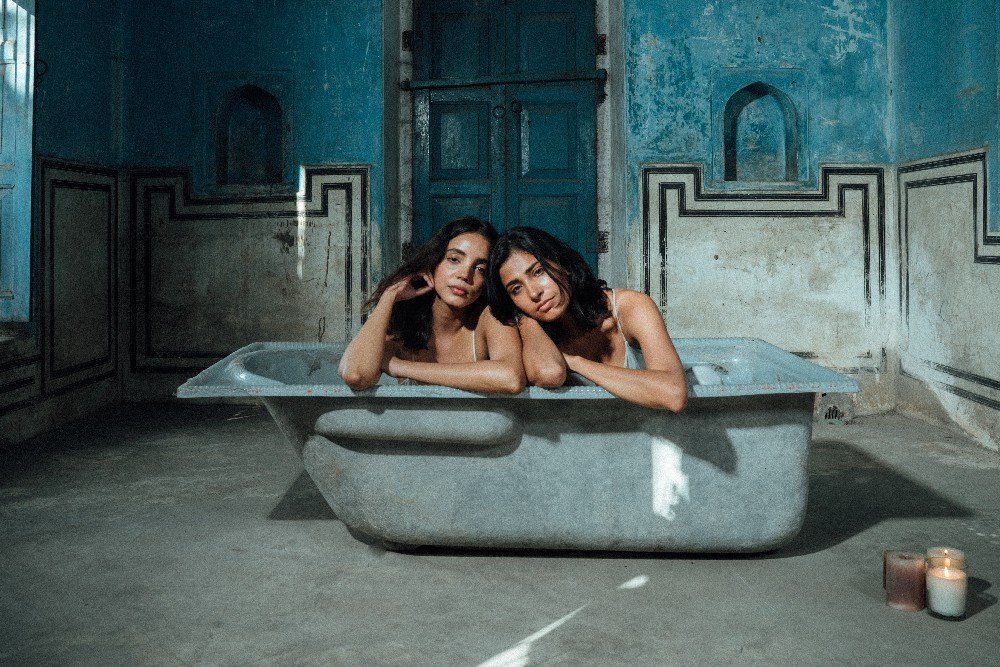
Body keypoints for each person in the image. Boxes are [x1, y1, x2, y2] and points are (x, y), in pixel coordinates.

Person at [487, 226, 687, 412]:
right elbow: (549, 373)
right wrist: (524, 317)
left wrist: (576, 362)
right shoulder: (531, 329)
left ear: (562, 264)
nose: (533, 293)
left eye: (538, 272)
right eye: (516, 289)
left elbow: (673, 394)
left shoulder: (629, 306)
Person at [339, 217, 525, 393]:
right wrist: (389, 295)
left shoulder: (489, 316)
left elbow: (511, 378)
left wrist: (400, 367)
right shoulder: (406, 322)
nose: (465, 275)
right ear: (434, 262)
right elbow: (356, 376)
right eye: (454, 259)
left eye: (480, 269)